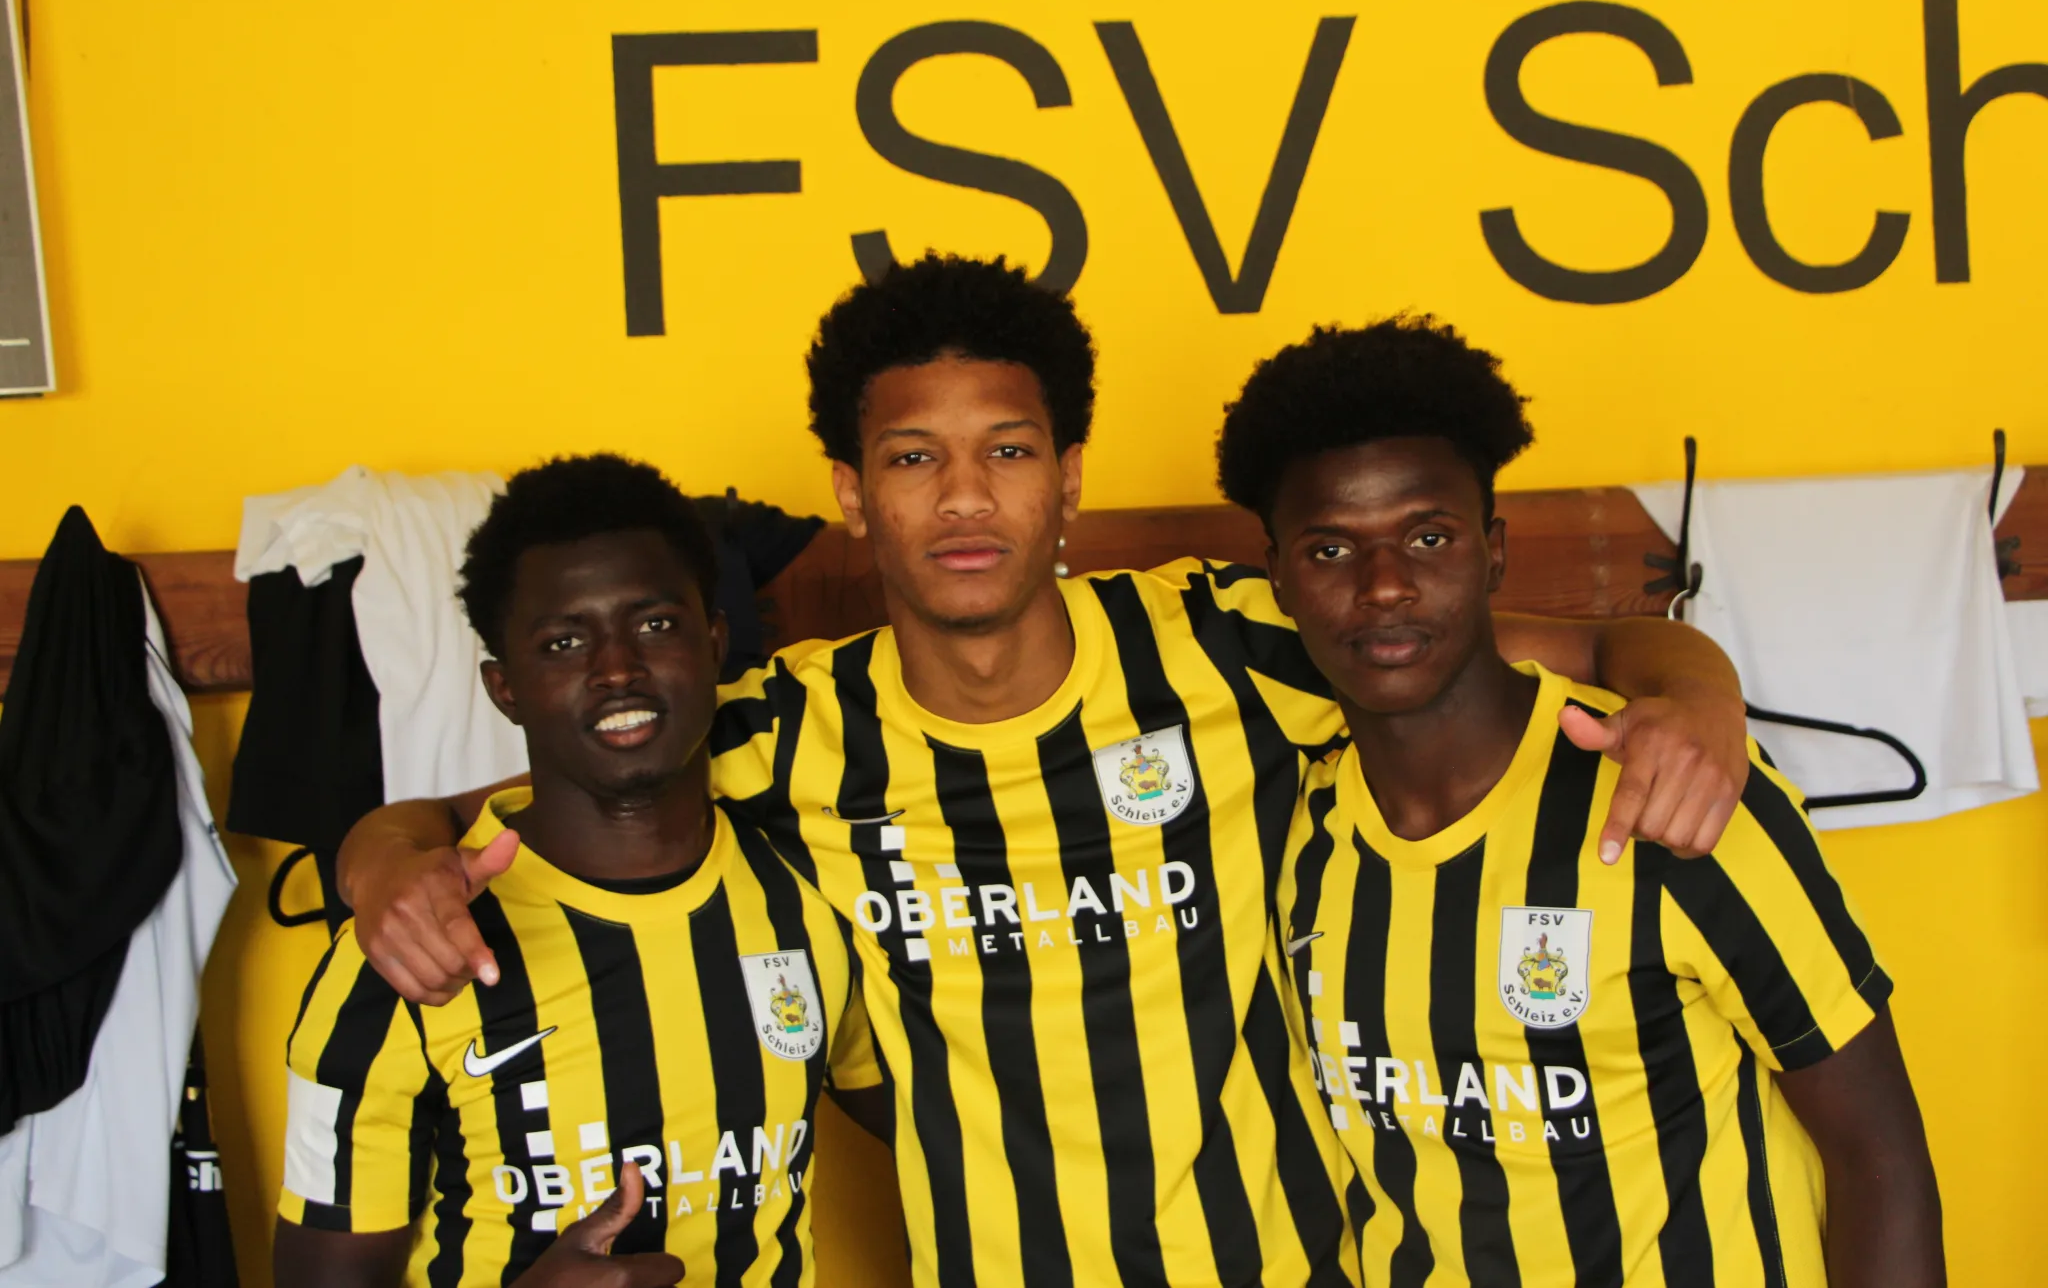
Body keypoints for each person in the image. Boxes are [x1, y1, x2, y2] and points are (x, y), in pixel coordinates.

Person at [338, 255, 1754, 1288]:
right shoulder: (784, 728)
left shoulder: (1225, 645)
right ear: (851, 492)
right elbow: (488, 817)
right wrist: (382, 861)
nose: (965, 497)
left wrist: (1698, 696)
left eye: (1006, 451)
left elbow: (1592, 644)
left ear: (1068, 475)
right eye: (914, 458)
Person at [1222, 318, 1943, 1287]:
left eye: (1428, 536)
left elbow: (1880, 1162)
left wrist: (1694, 685)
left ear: (1492, 553)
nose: (1385, 586)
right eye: (1329, 550)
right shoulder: (1295, 830)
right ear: (1277, 578)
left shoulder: (1669, 789)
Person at [273, 455, 880, 1287]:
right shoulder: (408, 948)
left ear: (714, 643)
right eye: (563, 642)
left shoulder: (807, 890)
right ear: (505, 688)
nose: (616, 668)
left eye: (655, 624)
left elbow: (943, 1111)